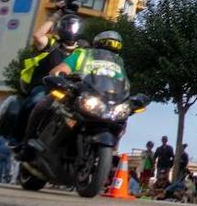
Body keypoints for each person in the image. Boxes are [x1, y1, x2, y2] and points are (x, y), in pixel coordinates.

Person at [24, 30, 128, 159]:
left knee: (122, 118)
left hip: (105, 102)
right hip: (78, 93)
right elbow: (61, 69)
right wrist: (61, 75)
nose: (109, 54)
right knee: (42, 105)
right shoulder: (83, 54)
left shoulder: (118, 65)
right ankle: (28, 144)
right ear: (96, 46)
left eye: (113, 51)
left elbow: (122, 85)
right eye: (105, 48)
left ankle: (110, 152)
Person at [15, 0, 83, 150]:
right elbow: (37, 35)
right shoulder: (51, 44)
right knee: (33, 102)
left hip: (69, 92)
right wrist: (58, 13)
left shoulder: (82, 51)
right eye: (67, 27)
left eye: (74, 27)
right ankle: (21, 139)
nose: (71, 30)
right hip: (44, 86)